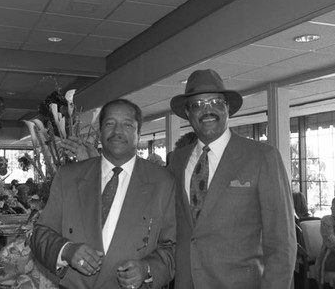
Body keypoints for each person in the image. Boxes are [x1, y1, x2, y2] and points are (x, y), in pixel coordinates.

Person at [167, 69, 296, 288]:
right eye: (197, 105)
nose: (207, 110)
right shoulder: (177, 161)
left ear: (228, 108)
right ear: (188, 114)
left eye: (215, 102)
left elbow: (281, 243)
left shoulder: (263, 157)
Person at [31, 99, 176, 289]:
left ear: (138, 133)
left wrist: (147, 269)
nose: (117, 131)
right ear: (100, 132)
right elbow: (40, 234)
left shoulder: (163, 182)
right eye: (110, 123)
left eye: (127, 124)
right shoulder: (68, 177)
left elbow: (172, 246)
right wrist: (66, 250)